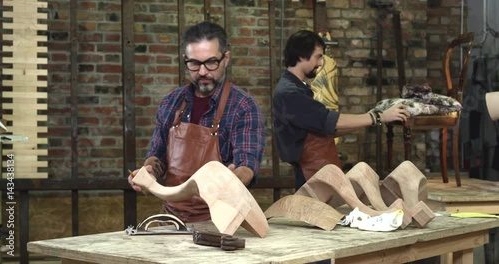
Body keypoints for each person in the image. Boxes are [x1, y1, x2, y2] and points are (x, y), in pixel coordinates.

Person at [128, 21, 265, 223]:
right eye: (194, 63)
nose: (202, 72)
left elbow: (247, 167)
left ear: (225, 58)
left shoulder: (243, 107)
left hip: (220, 221)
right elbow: (157, 156)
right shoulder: (171, 102)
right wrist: (148, 173)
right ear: (185, 60)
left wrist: (232, 177)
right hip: (172, 221)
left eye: (211, 62)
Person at [273, 30, 410, 191]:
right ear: (302, 56)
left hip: (314, 171)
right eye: (318, 57)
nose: (320, 63)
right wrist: (377, 116)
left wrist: (372, 117)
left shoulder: (297, 89)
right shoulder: (290, 93)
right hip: (309, 173)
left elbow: (328, 128)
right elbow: (330, 121)